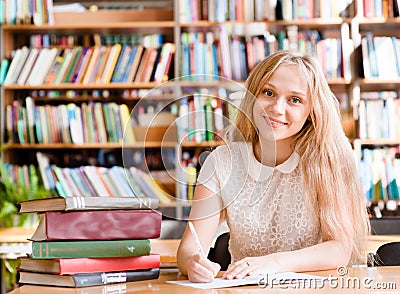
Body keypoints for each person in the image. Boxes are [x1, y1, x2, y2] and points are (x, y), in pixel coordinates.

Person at [176, 50, 370, 283]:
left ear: (312, 111)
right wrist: (192, 263)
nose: (277, 108)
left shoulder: (329, 159)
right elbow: (189, 249)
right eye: (268, 93)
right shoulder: (222, 162)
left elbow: (339, 249)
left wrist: (274, 263)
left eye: (295, 100)